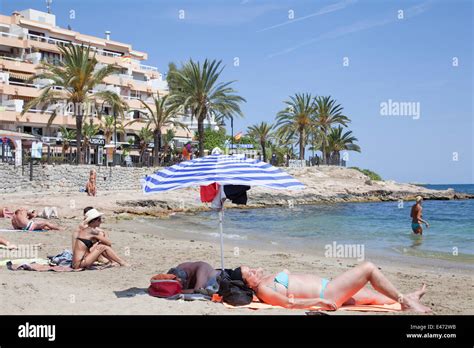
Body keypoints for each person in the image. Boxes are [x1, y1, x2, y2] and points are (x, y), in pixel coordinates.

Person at [236, 262, 431, 313]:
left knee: (375, 298)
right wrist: (319, 301)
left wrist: (257, 272)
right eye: (249, 274)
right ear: (247, 285)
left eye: (251, 269)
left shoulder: (263, 281)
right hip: (327, 293)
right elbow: (288, 304)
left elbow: (284, 274)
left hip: (328, 286)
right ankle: (408, 303)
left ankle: (409, 298)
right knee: (369, 269)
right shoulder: (261, 290)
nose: (254, 271)